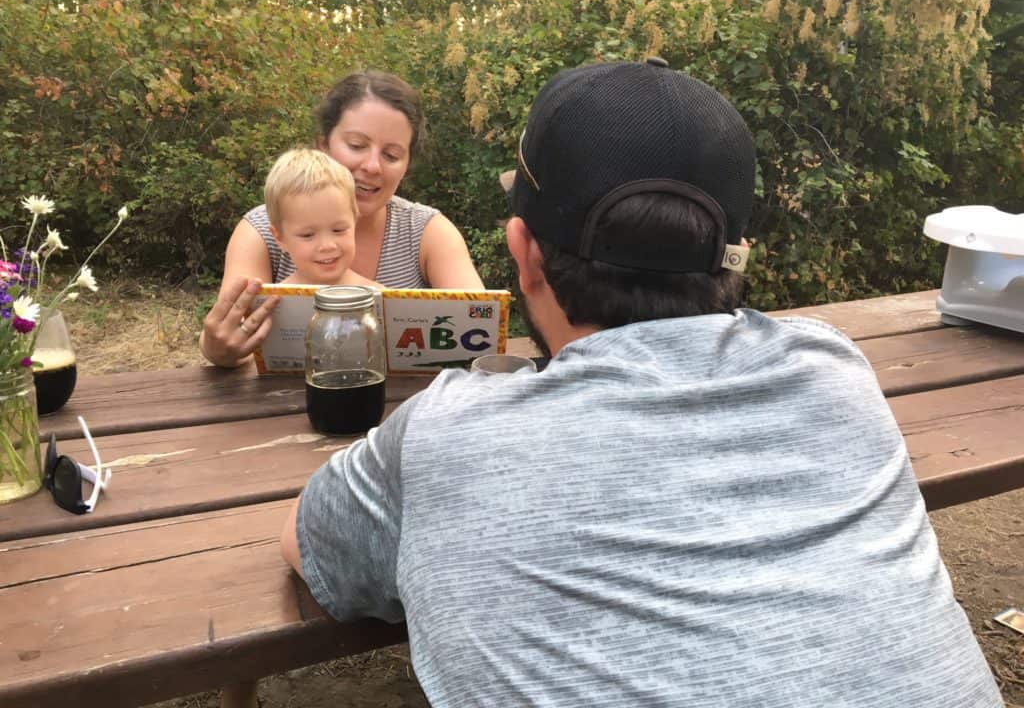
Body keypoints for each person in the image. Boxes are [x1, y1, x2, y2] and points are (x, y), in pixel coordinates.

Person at [279, 59, 1003, 706]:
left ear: (523, 253)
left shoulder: (449, 428)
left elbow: (307, 547)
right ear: (735, 258)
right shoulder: (835, 372)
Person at [201, 70, 483, 367]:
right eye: (357, 145)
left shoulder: (429, 231)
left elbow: (479, 330)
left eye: (391, 154)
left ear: (407, 164)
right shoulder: (259, 232)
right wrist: (218, 347)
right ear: (324, 145)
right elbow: (227, 335)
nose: (372, 166)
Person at [262, 147, 376, 287]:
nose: (327, 246)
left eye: (338, 230)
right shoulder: (275, 303)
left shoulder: (380, 297)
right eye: (308, 235)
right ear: (280, 238)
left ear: (354, 222)